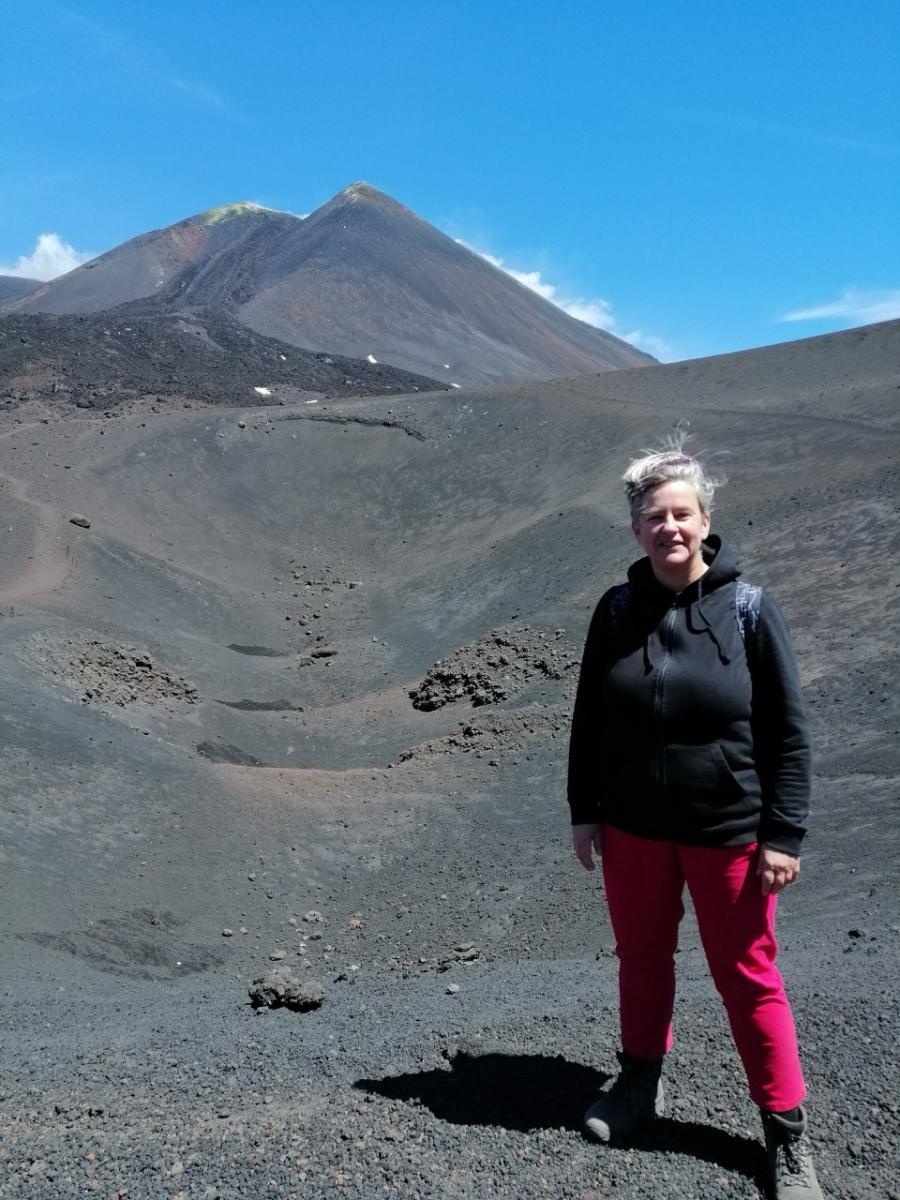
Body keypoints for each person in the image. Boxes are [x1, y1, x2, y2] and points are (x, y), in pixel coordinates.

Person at [567, 436, 823, 1200]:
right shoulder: (615, 610)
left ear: (704, 519)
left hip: (730, 832)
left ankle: (785, 1135)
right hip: (634, 828)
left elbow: (789, 729)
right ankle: (639, 1083)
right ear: (636, 530)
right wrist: (586, 814)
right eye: (654, 517)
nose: (669, 528)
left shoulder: (748, 609)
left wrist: (784, 833)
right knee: (641, 959)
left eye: (682, 514)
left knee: (748, 975)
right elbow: (589, 720)